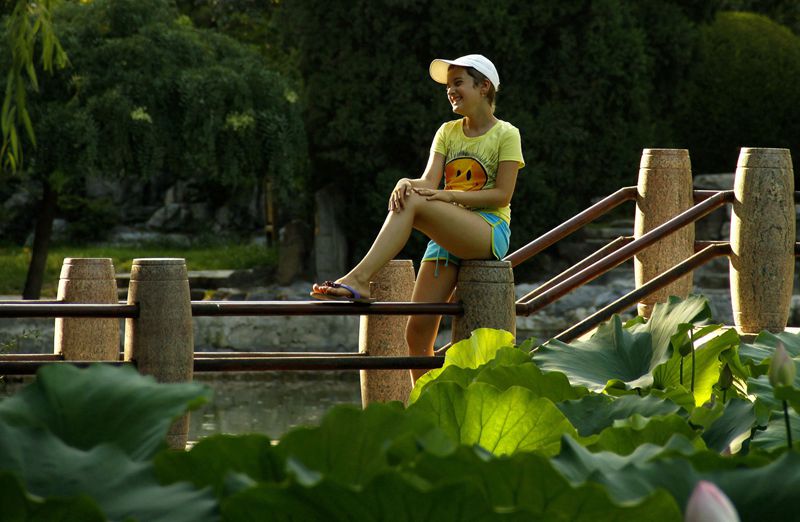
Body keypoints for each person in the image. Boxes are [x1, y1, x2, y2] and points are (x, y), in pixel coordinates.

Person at [311, 54, 525, 382]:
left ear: (484, 87)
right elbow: (428, 182)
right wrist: (405, 182)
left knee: (412, 200)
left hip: (488, 229)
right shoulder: (447, 132)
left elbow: (502, 195)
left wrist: (449, 196)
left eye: (458, 83)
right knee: (417, 334)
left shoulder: (506, 134)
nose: (450, 90)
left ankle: (359, 279)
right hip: (448, 235)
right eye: (448, 85)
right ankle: (426, 404)